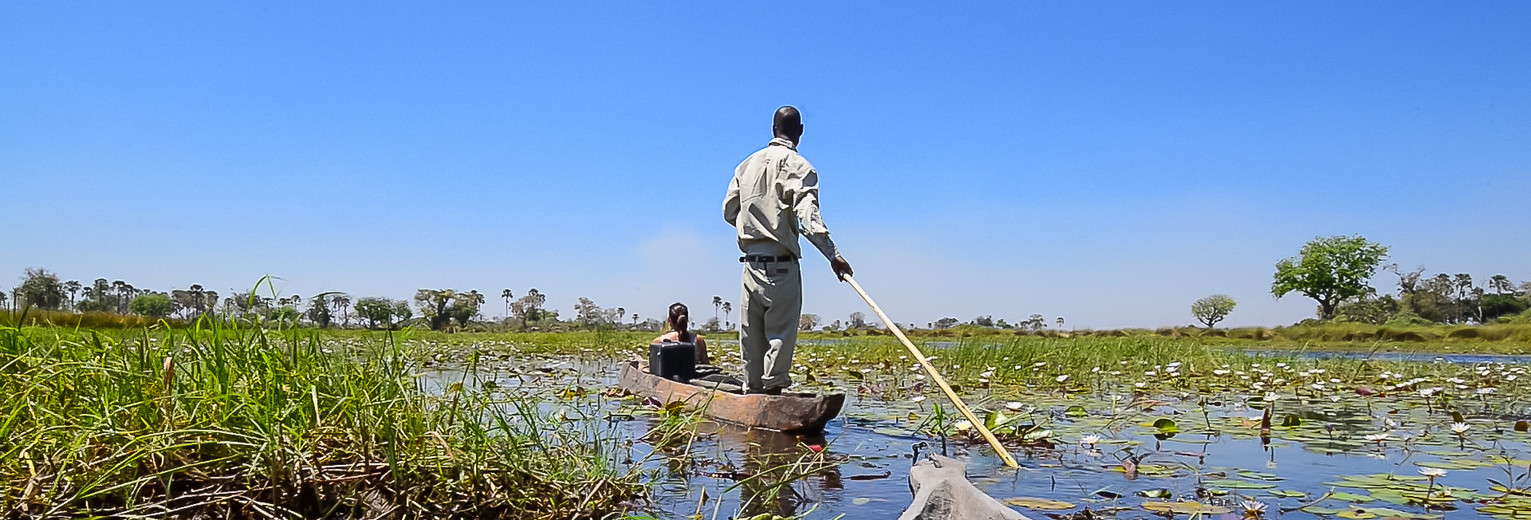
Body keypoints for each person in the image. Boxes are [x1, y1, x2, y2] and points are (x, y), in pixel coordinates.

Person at [722, 106, 853, 395]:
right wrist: (833, 255)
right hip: (782, 267)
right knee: (779, 334)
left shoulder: (746, 166)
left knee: (751, 337)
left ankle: (753, 392)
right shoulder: (802, 168)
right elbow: (808, 217)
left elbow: (729, 210)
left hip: (751, 264)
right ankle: (772, 393)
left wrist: (754, 226)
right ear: (801, 132)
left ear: (772, 130)